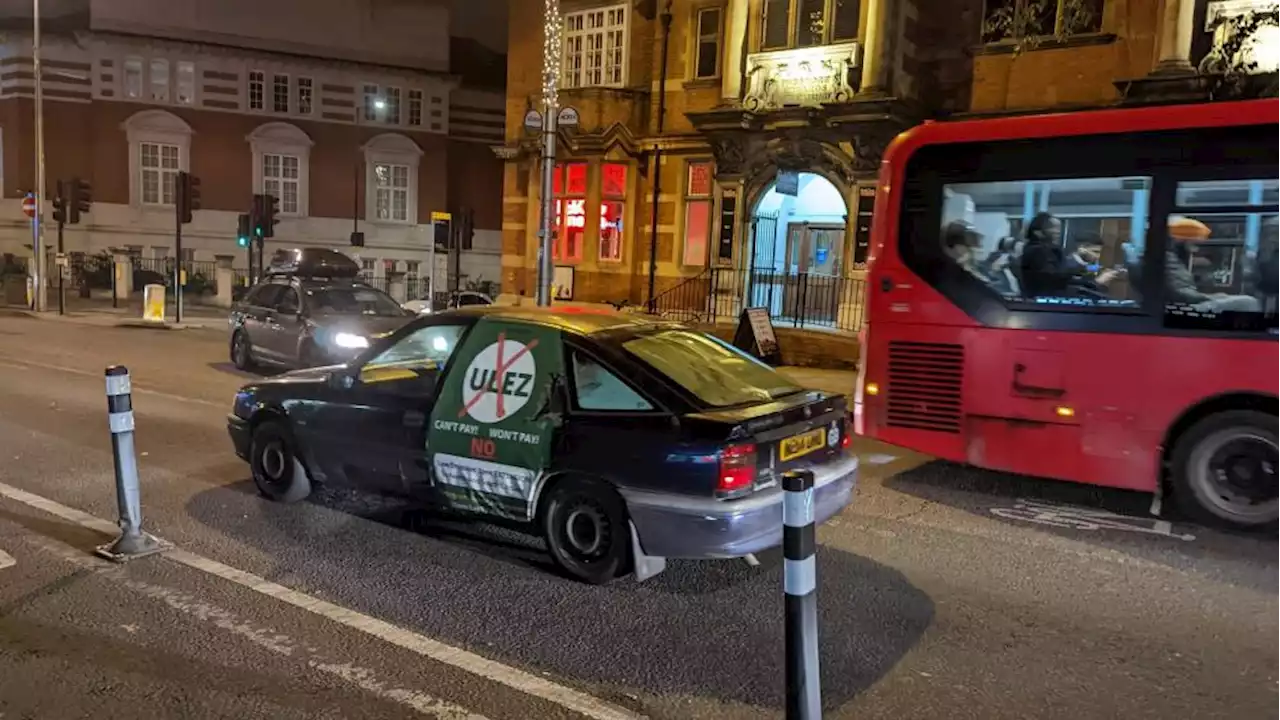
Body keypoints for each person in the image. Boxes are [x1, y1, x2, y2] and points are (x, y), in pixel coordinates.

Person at [1165, 216, 1260, 313]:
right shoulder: (1168, 258)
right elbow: (1180, 294)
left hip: (1184, 304)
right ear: (1180, 239)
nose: (1197, 248)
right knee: (1248, 302)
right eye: (1194, 241)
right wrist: (1211, 297)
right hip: (1185, 307)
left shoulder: (1174, 258)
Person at [1019, 213, 1120, 300]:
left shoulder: (1052, 252)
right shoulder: (1038, 251)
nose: (1057, 232)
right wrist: (1096, 281)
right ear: (1038, 232)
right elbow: (1054, 279)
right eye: (1052, 228)